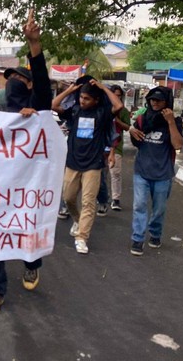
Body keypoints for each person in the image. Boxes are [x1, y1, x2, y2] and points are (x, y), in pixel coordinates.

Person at [0, 10, 53, 314]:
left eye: (20, 79)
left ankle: (31, 263)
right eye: (10, 80)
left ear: (30, 84)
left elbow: (42, 81)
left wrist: (34, 44)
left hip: (26, 187)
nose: (14, 84)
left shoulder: (38, 107)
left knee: (24, 228)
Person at [52, 78, 124, 255]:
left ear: (96, 100)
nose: (82, 101)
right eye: (81, 97)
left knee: (88, 202)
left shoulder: (103, 112)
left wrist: (103, 88)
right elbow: (53, 105)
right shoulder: (74, 110)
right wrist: (70, 90)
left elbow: (118, 106)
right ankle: (77, 220)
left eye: (87, 98)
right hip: (73, 162)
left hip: (93, 164)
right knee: (68, 197)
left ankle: (82, 237)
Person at [129, 87, 183, 255]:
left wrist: (171, 122)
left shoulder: (175, 121)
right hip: (142, 171)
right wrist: (132, 131)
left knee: (159, 209)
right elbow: (136, 141)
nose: (154, 102)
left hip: (163, 174)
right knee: (139, 205)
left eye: (159, 100)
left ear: (167, 102)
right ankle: (137, 239)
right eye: (152, 99)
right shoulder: (142, 120)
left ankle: (155, 233)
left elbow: (178, 145)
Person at [108, 85, 131, 211]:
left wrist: (116, 120)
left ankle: (115, 199)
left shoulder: (124, 111)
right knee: (100, 175)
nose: (116, 97)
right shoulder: (103, 108)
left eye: (118, 95)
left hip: (116, 146)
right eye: (114, 94)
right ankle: (102, 198)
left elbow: (128, 128)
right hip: (101, 146)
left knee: (115, 173)